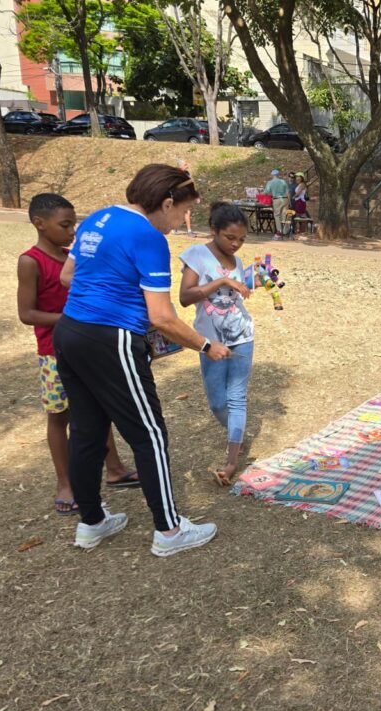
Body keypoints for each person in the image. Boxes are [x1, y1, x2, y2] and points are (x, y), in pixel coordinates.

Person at [53, 163, 230, 557]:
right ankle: (169, 531)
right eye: (183, 211)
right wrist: (206, 345)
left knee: (85, 431)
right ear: (166, 202)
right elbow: (162, 317)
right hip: (111, 341)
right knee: (148, 434)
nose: (183, 220)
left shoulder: (99, 217)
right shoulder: (148, 237)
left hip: (69, 332)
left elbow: (68, 277)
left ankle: (92, 523)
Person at [16, 193, 138, 515]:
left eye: (75, 224)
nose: (72, 232)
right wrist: (71, 320)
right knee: (60, 417)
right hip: (53, 353)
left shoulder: (73, 257)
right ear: (39, 224)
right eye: (65, 225)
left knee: (99, 409)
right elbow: (27, 313)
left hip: (87, 346)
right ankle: (64, 482)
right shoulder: (31, 262)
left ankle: (114, 469)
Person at [178, 203, 255, 487]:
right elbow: (185, 297)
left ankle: (232, 458)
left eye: (241, 240)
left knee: (236, 398)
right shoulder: (197, 254)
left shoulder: (239, 261)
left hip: (242, 335)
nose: (236, 244)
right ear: (214, 230)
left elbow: (238, 295)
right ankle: (237, 430)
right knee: (217, 402)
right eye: (230, 238)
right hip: (209, 343)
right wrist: (223, 280)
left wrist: (249, 282)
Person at [264, 169, 289, 241]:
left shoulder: (270, 182)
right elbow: (288, 192)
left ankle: (279, 232)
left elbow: (266, 192)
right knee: (284, 215)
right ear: (278, 175)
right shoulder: (283, 181)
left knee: (277, 215)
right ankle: (285, 231)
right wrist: (289, 202)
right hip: (285, 199)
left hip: (276, 199)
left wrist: (262, 193)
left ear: (272, 175)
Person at [175, 160, 195, 236]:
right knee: (185, 212)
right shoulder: (176, 174)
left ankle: (187, 231)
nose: (187, 166)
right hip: (178, 195)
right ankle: (188, 231)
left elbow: (191, 183)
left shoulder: (187, 173)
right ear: (180, 166)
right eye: (185, 165)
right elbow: (177, 185)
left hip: (186, 195)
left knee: (186, 212)